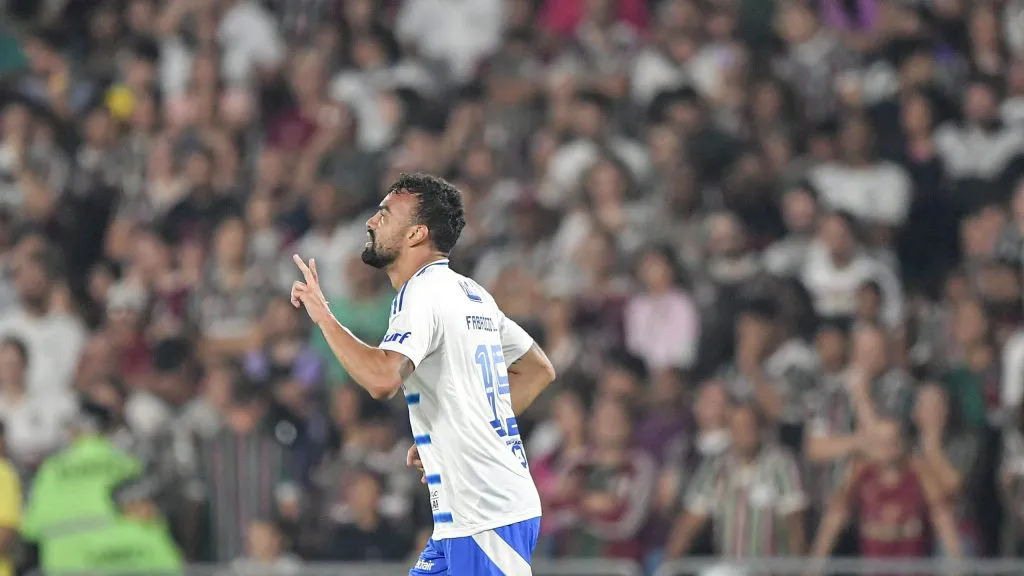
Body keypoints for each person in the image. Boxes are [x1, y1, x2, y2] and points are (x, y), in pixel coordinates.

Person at [290, 173, 558, 575]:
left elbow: (382, 379)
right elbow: (537, 370)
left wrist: (323, 316)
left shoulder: (423, 293)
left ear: (416, 233)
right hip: (468, 514)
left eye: (385, 214)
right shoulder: (470, 292)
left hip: (485, 513)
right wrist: (455, 432)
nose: (371, 222)